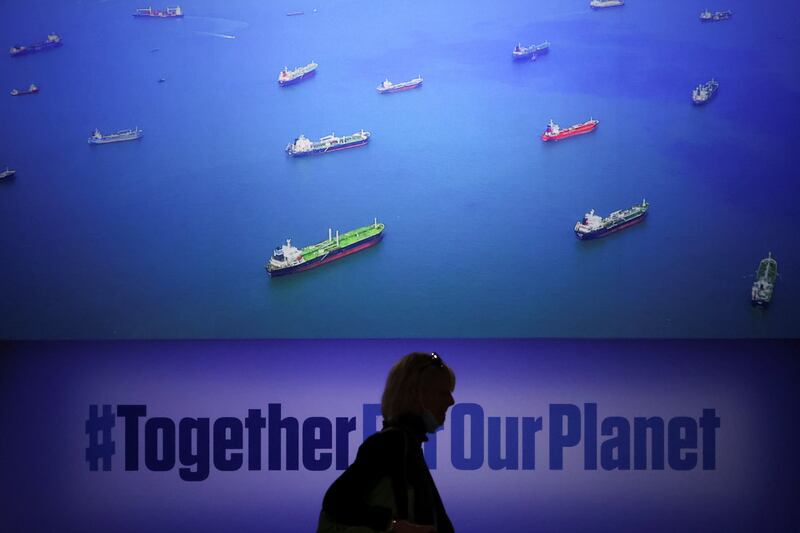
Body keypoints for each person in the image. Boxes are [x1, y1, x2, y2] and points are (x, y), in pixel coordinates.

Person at [317, 352, 456, 533]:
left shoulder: (406, 444)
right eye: (442, 393)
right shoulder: (390, 444)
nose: (451, 401)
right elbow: (336, 502)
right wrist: (394, 525)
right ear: (416, 394)